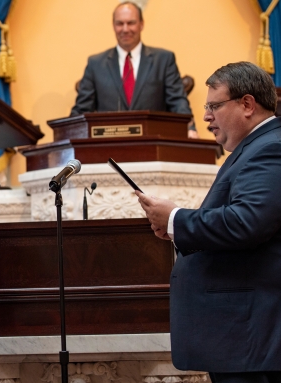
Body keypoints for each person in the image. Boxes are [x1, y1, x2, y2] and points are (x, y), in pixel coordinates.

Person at [136, 62, 281, 382]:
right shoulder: (256, 147)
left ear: (247, 104)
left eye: (214, 106)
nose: (205, 117)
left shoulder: (270, 148)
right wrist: (176, 225)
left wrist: (176, 218)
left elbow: (247, 222)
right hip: (244, 340)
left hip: (252, 340)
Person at [70, 1, 198, 138]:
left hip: (153, 143)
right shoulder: (95, 64)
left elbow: (178, 101)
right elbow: (82, 109)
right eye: (120, 23)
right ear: (113, 25)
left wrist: (189, 128)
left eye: (131, 23)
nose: (125, 29)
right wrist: (68, 132)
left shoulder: (164, 60)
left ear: (141, 24)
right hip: (109, 145)